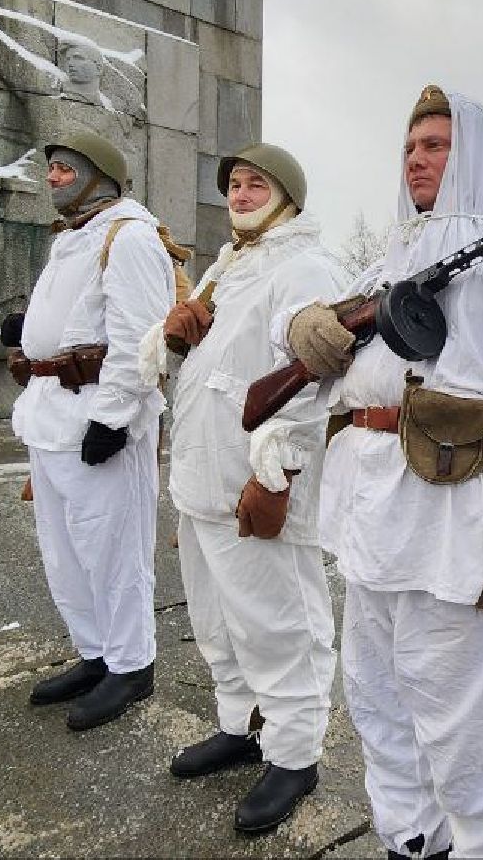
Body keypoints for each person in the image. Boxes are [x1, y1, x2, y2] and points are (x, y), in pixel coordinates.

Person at [280, 85, 483, 858]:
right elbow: (330, 355)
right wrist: (301, 327)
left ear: (480, 156)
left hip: (459, 534)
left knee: (474, 738)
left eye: (438, 145)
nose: (419, 159)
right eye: (410, 147)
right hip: (373, 532)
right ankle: (410, 840)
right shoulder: (390, 257)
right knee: (381, 708)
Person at [148, 143, 347, 834]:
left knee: (279, 625)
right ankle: (239, 726)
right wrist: (177, 338)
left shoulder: (306, 267)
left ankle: (294, 754)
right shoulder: (231, 265)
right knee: (216, 621)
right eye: (232, 184)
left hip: (252, 485)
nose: (238, 193)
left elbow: (311, 377)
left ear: (286, 194)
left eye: (253, 182)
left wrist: (277, 477)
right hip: (204, 479)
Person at [4, 129, 177, 731]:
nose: (53, 178)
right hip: (51, 413)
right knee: (65, 551)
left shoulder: (128, 236)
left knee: (112, 550)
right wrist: (30, 331)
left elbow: (139, 336)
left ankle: (131, 666)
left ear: (98, 175)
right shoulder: (75, 237)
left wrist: (113, 417)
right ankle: (95, 652)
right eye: (49, 169)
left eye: (64, 169)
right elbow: (83, 315)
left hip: (96, 415)